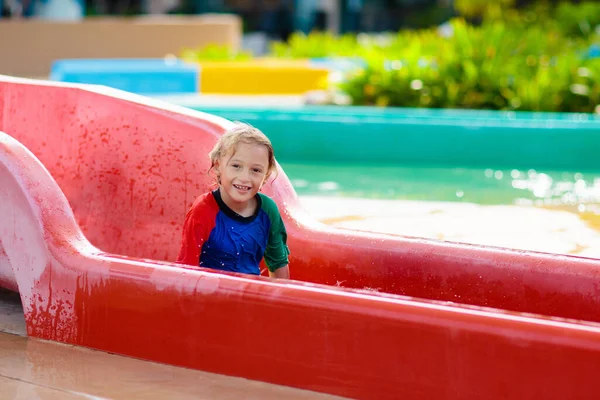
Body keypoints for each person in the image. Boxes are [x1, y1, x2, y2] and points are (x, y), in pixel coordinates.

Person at [176, 122, 290, 279]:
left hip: (249, 296)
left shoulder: (268, 210)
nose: (244, 178)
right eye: (236, 166)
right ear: (218, 166)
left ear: (266, 175)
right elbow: (186, 268)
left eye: (256, 170)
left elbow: (278, 266)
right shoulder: (203, 210)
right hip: (209, 296)